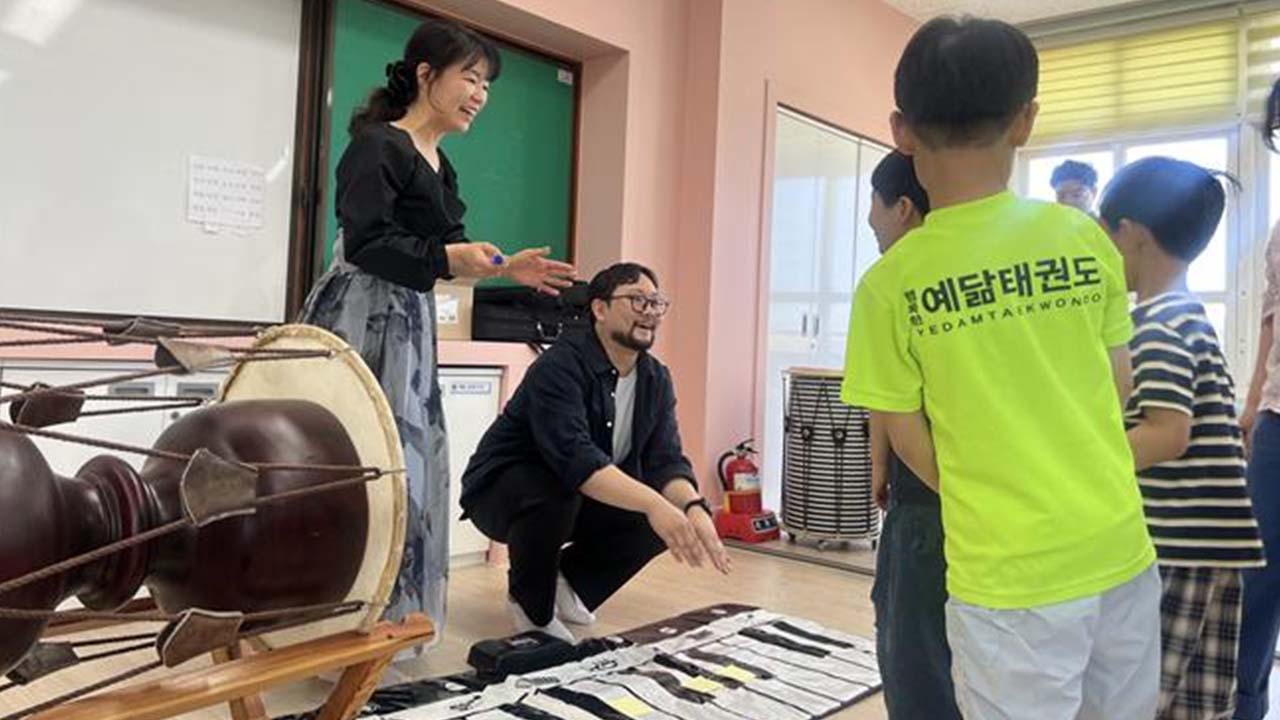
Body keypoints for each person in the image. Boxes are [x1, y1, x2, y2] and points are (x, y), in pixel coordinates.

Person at [844, 16, 1160, 719]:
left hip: (1006, 575)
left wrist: (987, 496)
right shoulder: (1083, 238)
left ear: (901, 130)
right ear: (1025, 120)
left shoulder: (890, 284)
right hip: (1118, 551)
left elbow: (907, 438)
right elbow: (1119, 385)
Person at [300, 19, 575, 635]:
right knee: (353, 458)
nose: (480, 94)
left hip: (410, 320)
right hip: (363, 315)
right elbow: (369, 243)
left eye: (487, 85)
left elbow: (452, 249)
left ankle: (391, 621)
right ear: (426, 75)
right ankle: (328, 622)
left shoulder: (440, 165)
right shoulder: (378, 145)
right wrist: (453, 258)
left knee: (408, 464)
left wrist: (506, 267)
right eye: (471, 78)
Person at [461, 263, 731, 642]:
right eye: (637, 300)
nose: (650, 312)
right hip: (505, 495)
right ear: (600, 309)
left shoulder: (655, 378)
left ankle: (570, 583)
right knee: (559, 492)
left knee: (664, 515)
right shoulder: (560, 365)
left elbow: (665, 460)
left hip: (577, 494)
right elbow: (576, 459)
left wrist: (693, 508)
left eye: (656, 303)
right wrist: (655, 504)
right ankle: (531, 605)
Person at [1100, 157, 1265, 719]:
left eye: (1105, 236)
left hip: (1175, 546)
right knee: (1196, 702)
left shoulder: (1158, 326)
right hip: (1211, 545)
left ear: (1131, 235)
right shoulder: (1187, 316)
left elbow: (1167, 432)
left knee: (1140, 695)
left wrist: (1087, 460)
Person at [852, 151, 960, 719]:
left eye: (874, 202)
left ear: (902, 207)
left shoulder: (890, 281)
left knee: (912, 652)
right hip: (983, 492)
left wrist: (950, 492)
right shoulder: (973, 263)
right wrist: (877, 463)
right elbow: (885, 394)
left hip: (931, 495)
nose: (870, 217)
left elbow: (895, 402)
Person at [1235, 77, 1280, 720]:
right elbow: (1272, 320)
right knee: (1256, 578)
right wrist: (1249, 407)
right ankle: (1242, 706)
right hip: (1276, 419)